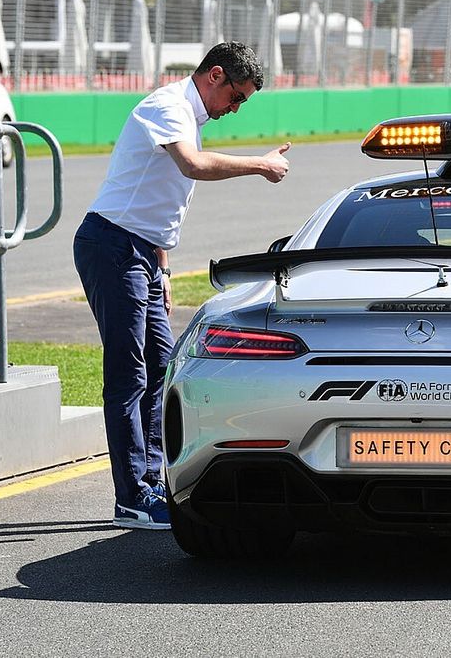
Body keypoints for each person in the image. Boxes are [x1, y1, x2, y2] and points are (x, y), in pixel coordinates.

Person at [73, 41, 290, 530]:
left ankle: (153, 481)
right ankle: (130, 496)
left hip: (142, 252)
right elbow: (190, 166)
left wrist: (163, 267)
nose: (234, 109)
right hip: (112, 247)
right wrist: (259, 165)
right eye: (235, 97)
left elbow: (158, 200)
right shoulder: (168, 106)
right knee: (129, 374)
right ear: (214, 75)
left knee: (163, 366)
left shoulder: (188, 114)